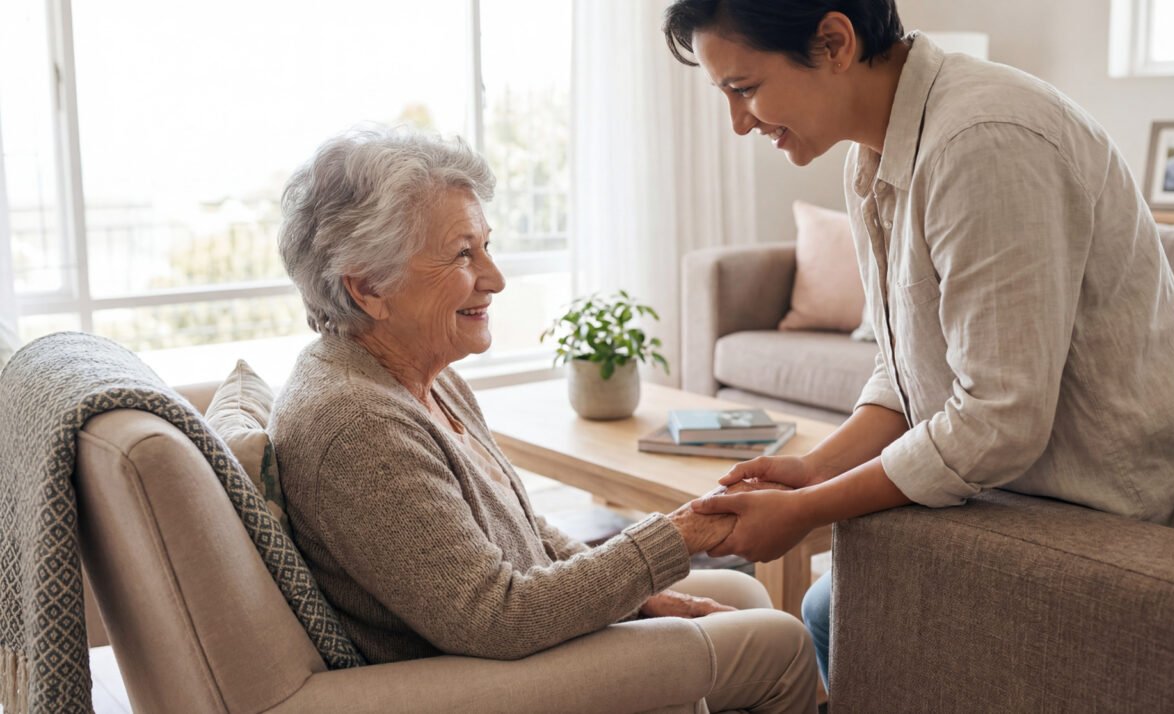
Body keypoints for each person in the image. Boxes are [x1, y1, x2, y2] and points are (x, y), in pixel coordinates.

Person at [662, 0, 1174, 688]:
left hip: (1112, 511)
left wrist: (804, 512)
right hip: (1026, 486)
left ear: (834, 41)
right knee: (833, 607)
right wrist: (814, 470)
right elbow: (907, 370)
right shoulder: (873, 155)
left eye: (743, 88)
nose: (738, 123)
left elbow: (998, 419)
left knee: (836, 609)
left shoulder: (984, 140)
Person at [270, 128, 817, 713]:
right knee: (781, 640)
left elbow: (525, 533)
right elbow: (498, 617)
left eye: (486, 245)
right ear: (367, 286)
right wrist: (677, 535)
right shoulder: (358, 427)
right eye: (462, 253)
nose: (495, 277)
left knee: (741, 588)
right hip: (480, 679)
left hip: (509, 638)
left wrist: (638, 595)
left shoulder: (427, 377)